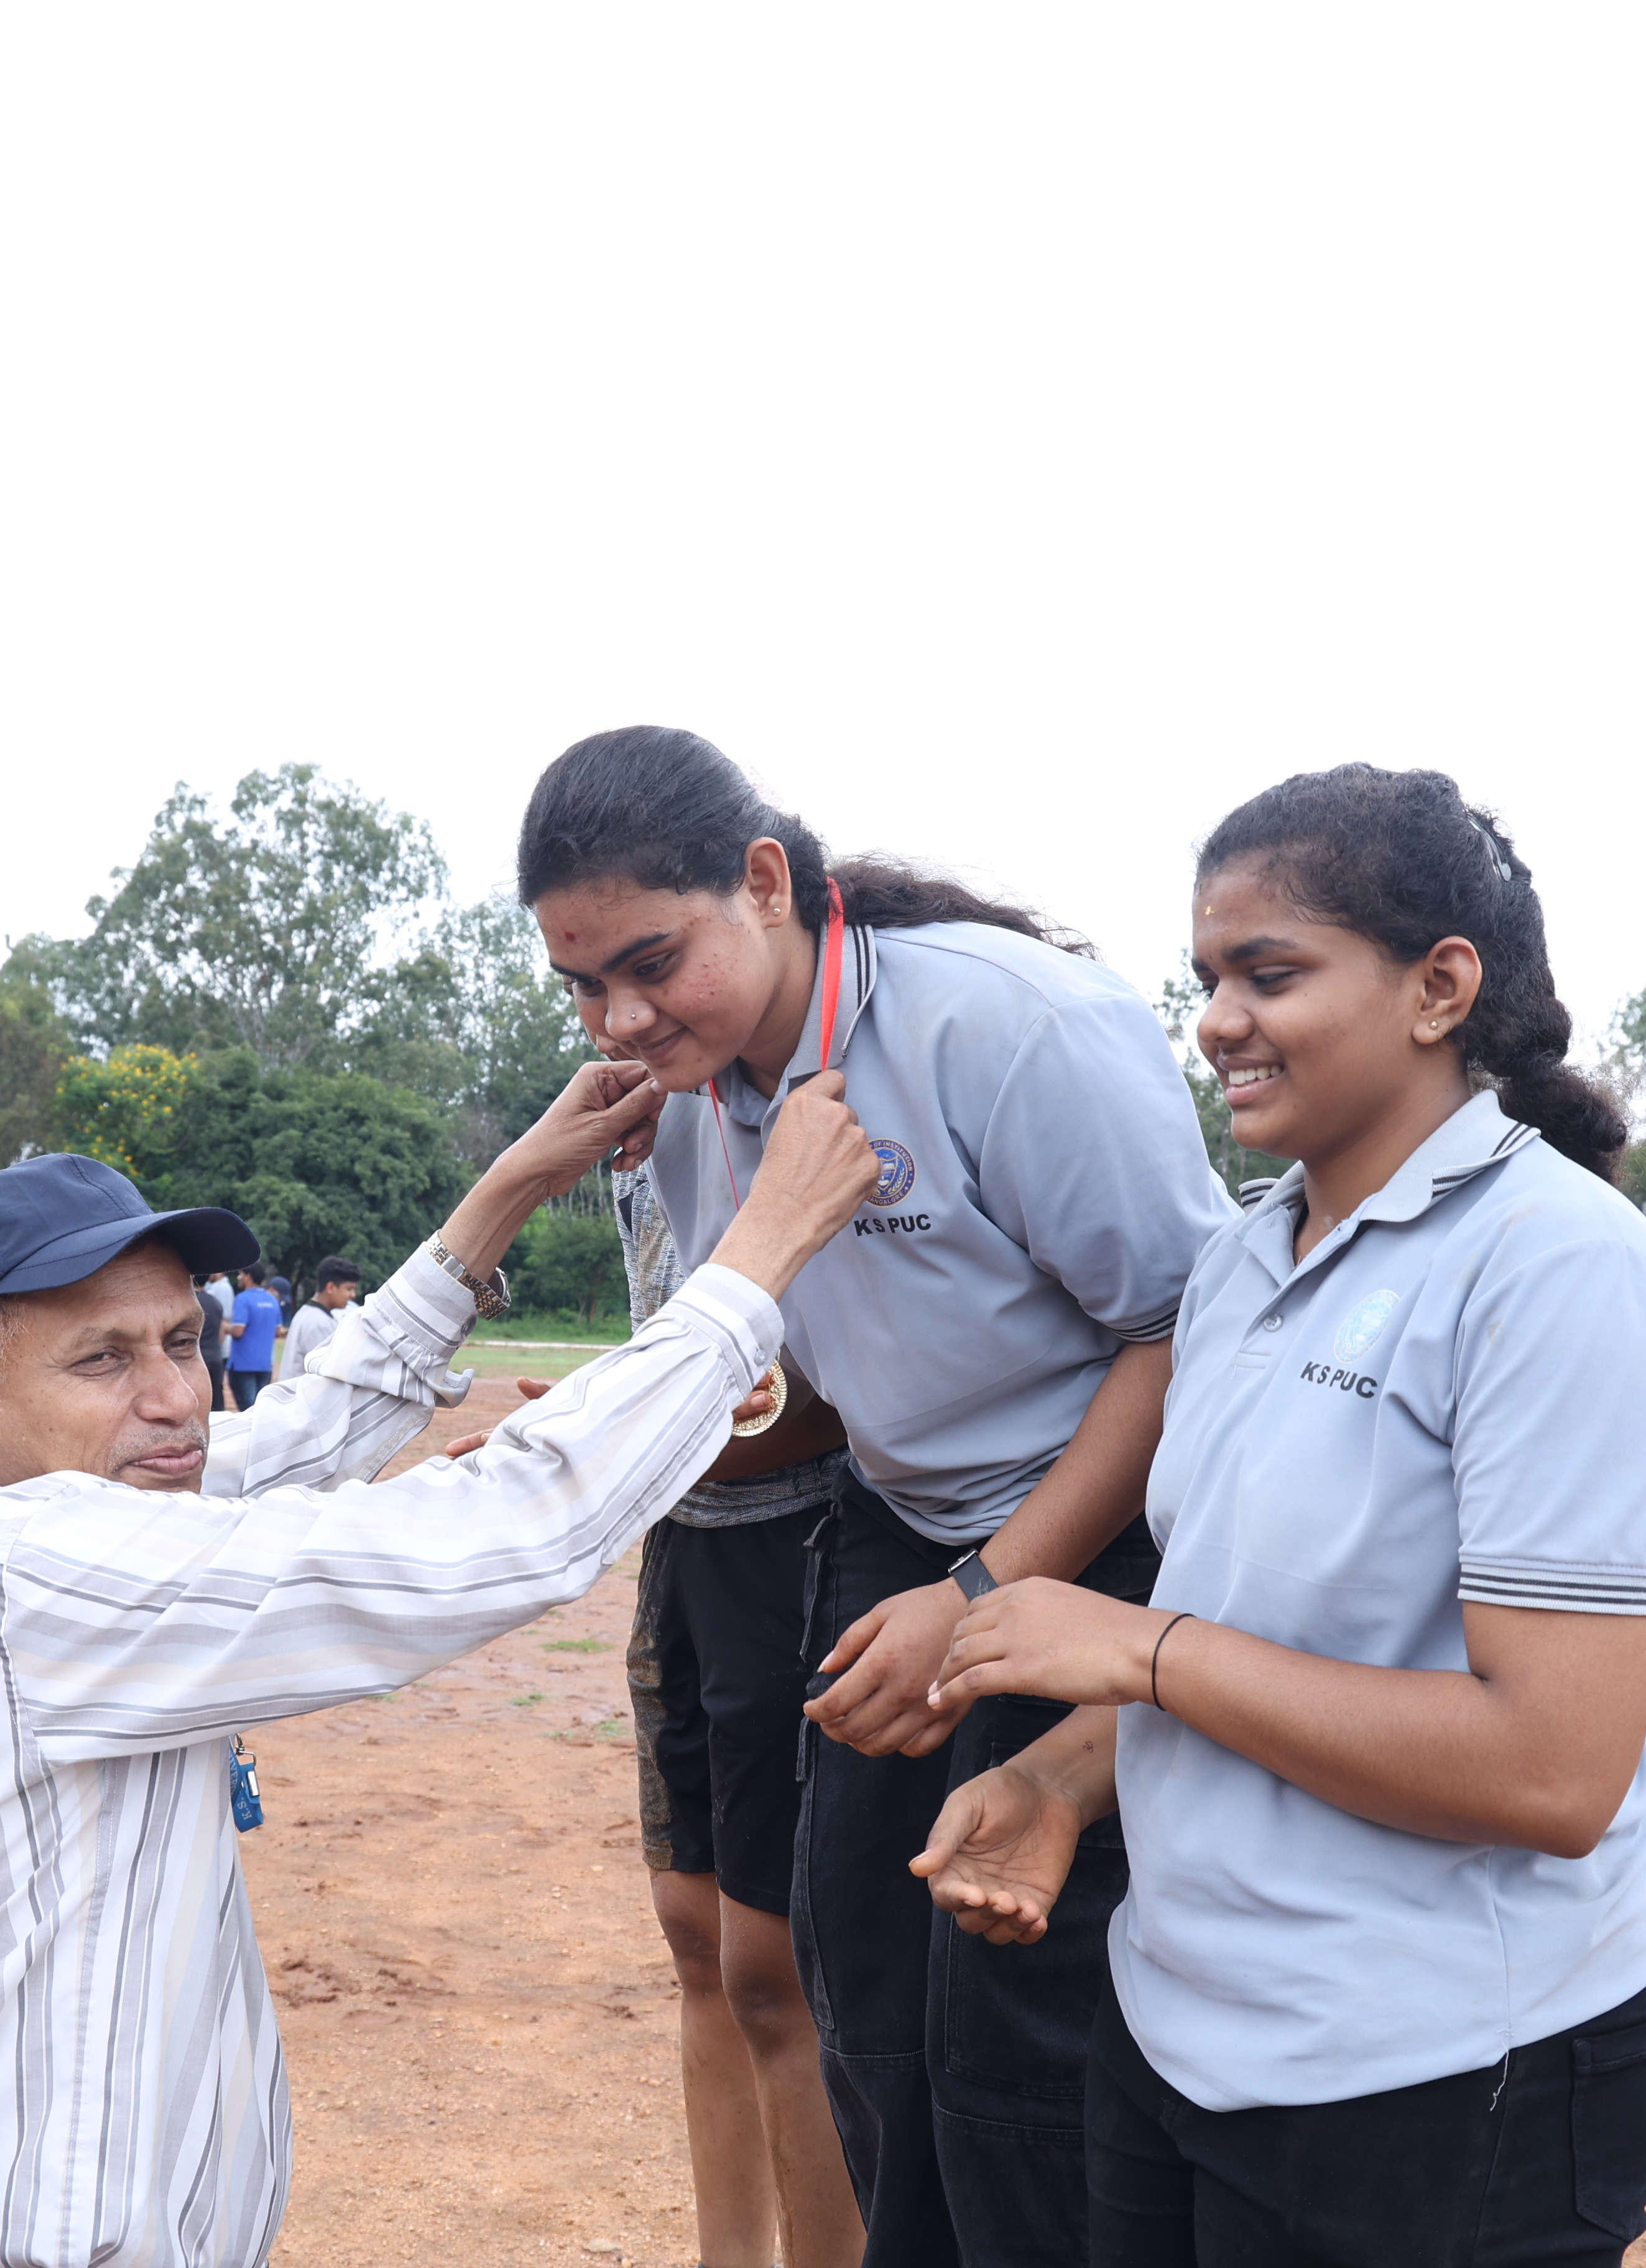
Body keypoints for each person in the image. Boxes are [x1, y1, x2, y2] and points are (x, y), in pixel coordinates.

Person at [0, 1057, 876, 2268]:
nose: (174, 1398)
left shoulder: (29, 1521)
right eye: (101, 1359)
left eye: (182, 1340)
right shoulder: (35, 1582)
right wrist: (759, 1255)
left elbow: (306, 1429)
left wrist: (508, 1189)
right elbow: (507, 1528)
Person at [911, 766, 1646, 2268]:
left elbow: (1551, 1770)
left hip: (1434, 2086)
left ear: (1439, 989)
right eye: (1206, 981)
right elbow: (1260, 1635)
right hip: (1174, 2035)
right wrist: (1059, 1781)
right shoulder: (1242, 1264)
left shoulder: (1560, 1272)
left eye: (1268, 974)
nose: (1218, 1022)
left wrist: (1141, 1650)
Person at [519, 726, 1236, 2268]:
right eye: (581, 986)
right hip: (889, 1526)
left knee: (1022, 2003)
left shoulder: (1006, 1030)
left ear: (764, 881)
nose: (621, 1021)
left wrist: (979, 1599)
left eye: (651, 964)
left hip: (1099, 1540)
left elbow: (1184, 1336)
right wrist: (574, 1443)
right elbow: (786, 1365)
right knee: (856, 1976)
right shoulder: (689, 1099)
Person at [613, 1154, 866, 2268]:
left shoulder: (817, 1118)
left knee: (776, 1969)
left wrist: (622, 1444)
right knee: (696, 1935)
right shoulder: (643, 1116)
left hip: (803, 1540)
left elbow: (850, 1392)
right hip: (685, 1538)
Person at [280, 1255, 363, 1374]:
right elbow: (329, 1370)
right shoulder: (319, 1322)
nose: (353, 1295)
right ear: (331, 1287)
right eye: (349, 1289)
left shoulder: (308, 1312)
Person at [224, 1265, 283, 1408]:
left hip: (243, 1364)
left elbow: (238, 1331)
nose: (239, 1278)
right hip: (265, 1364)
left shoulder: (243, 1299)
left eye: (240, 1274)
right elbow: (278, 1331)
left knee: (248, 1411)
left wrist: (224, 1327)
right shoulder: (272, 1300)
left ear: (248, 1277)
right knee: (260, 1408)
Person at [194, 1262, 231, 1413]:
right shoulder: (216, 1303)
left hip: (196, 1359)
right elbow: (222, 1332)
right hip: (215, 1357)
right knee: (217, 1403)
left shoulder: (189, 1303)